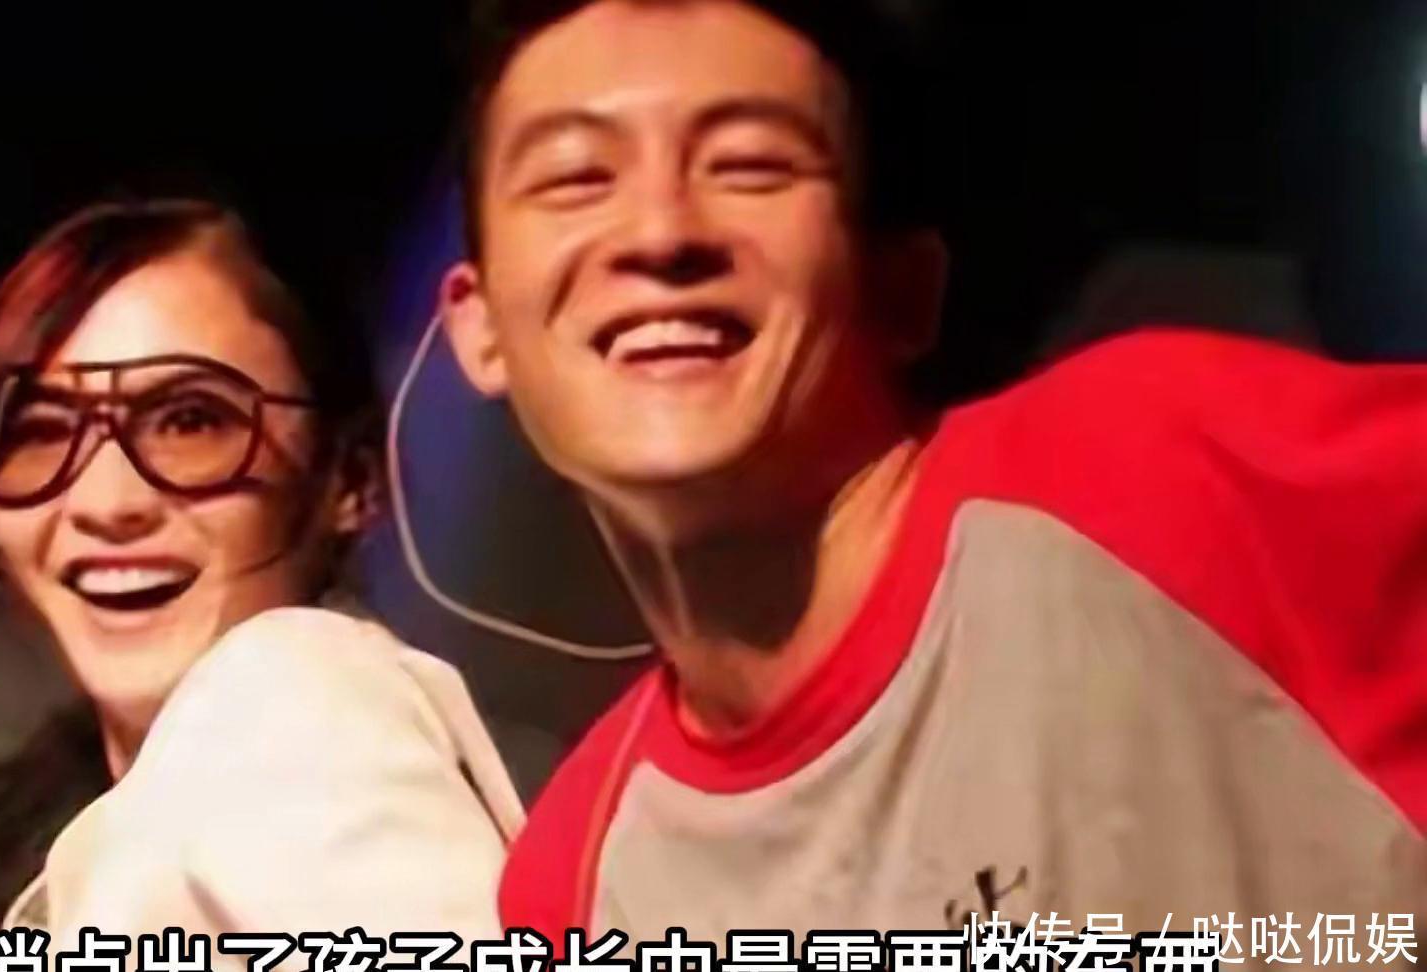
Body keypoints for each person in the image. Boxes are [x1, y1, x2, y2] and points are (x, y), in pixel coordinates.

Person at [438, 0, 1427, 945]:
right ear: (479, 327)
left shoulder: (1167, 476)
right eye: (575, 178)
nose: (660, 233)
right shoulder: (574, 885)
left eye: (751, 166)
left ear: (903, 290)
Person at [0, 199, 522, 942]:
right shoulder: (92, 818)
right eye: (41, 432)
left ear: (349, 480)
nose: (109, 503)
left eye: (191, 422)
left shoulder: (298, 700)